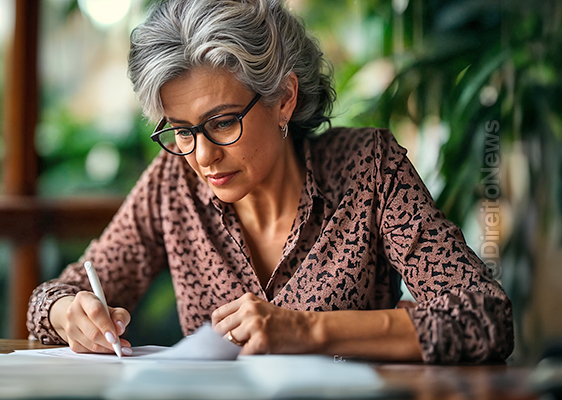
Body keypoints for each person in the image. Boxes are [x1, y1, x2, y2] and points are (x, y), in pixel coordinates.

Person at [27, 0, 514, 364]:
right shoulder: (174, 185)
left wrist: (306, 331)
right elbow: (52, 299)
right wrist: (69, 312)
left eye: (221, 123)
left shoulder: (370, 169)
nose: (201, 155)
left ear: (283, 98)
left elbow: (482, 316)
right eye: (180, 130)